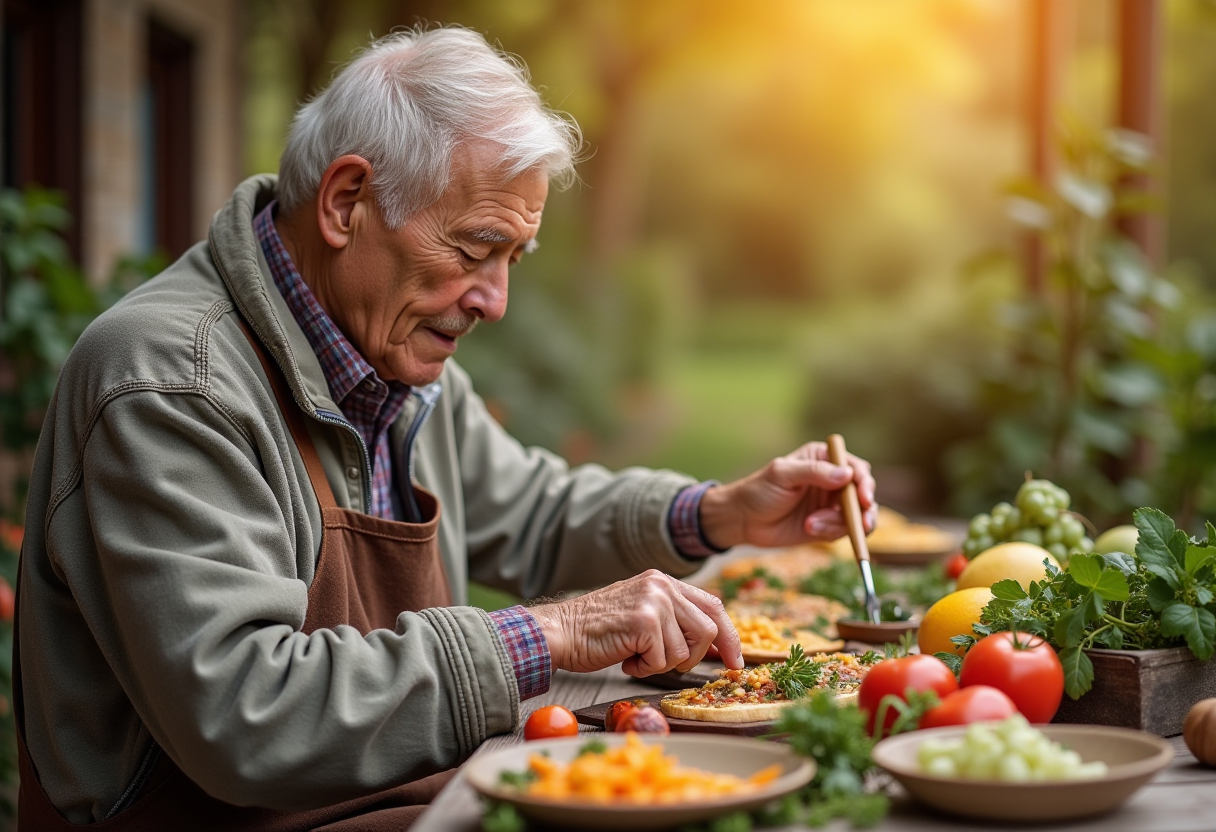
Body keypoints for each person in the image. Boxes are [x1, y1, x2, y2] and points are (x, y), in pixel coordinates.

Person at [15, 25, 877, 831]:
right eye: (473, 250)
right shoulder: (169, 383)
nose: (494, 301)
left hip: (405, 799)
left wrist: (721, 513)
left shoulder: (389, 350)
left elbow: (532, 513)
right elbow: (247, 714)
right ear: (348, 201)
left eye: (511, 260)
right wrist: (554, 632)